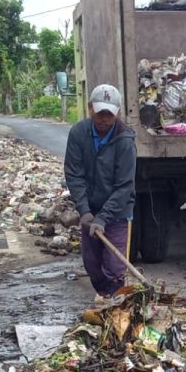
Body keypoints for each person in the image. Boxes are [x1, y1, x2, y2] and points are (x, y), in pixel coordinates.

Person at [64, 84, 138, 300]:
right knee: (92, 265)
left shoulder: (125, 141)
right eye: (100, 113)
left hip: (118, 212)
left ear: (117, 113)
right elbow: (74, 174)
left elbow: (124, 186)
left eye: (109, 114)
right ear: (90, 108)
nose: (104, 119)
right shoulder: (78, 133)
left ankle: (115, 305)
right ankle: (106, 298)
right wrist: (85, 211)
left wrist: (104, 218)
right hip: (90, 209)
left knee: (114, 269)